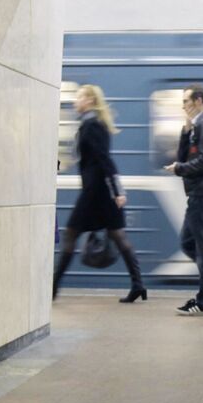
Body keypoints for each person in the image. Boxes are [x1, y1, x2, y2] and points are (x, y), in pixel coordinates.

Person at [52, 84, 145, 301]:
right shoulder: (90, 124)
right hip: (97, 191)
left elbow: (105, 159)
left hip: (96, 193)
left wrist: (117, 191)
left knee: (71, 234)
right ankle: (138, 285)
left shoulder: (92, 125)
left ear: (90, 101)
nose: (76, 102)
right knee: (118, 236)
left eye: (79, 98)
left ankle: (53, 287)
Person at [162, 84, 203, 315]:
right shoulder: (199, 124)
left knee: (202, 246)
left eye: (186, 101)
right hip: (201, 192)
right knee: (189, 243)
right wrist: (185, 131)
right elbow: (185, 155)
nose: (183, 106)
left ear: (198, 100)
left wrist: (179, 168)